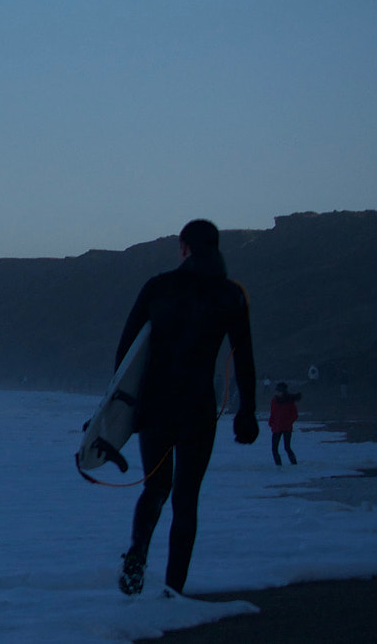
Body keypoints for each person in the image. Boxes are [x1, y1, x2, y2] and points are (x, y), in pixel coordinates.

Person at [115, 219, 258, 596]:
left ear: (183, 248)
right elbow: (243, 357)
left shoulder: (159, 287)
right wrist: (247, 412)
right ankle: (173, 590)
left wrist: (117, 413)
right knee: (186, 497)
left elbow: (126, 353)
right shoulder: (230, 295)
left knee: (155, 487)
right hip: (197, 409)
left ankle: (137, 554)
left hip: (156, 407)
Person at [270, 382, 301, 465]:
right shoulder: (274, 401)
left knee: (287, 447)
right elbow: (272, 413)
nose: (277, 393)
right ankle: (278, 465)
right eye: (276, 391)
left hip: (287, 428)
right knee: (274, 448)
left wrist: (288, 423)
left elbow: (295, 415)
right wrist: (271, 423)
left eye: (278, 391)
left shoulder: (289, 401)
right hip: (276, 427)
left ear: (283, 392)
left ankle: (294, 463)